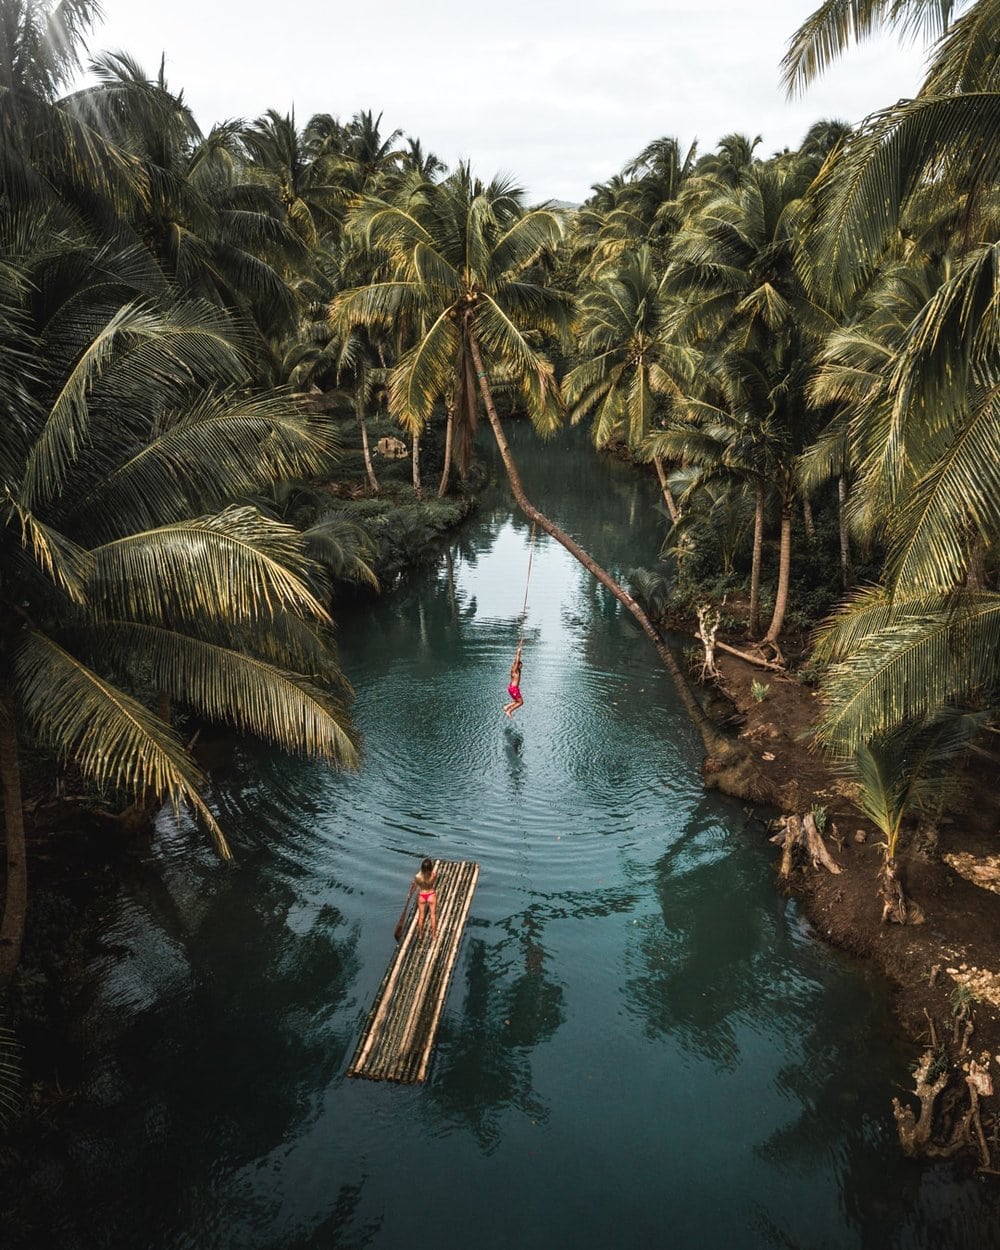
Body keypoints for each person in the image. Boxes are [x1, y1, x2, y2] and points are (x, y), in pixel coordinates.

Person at [408, 857, 437, 940]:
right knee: (433, 916)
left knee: (421, 916)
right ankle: (434, 935)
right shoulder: (433, 874)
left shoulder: (417, 877)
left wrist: (410, 893)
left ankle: (420, 934)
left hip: (422, 896)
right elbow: (432, 882)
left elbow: (414, 887)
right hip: (431, 894)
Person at [504, 643, 524, 717]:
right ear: (518, 665)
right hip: (514, 689)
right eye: (520, 665)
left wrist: (520, 649)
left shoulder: (515, 671)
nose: (522, 666)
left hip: (512, 688)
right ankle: (509, 711)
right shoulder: (515, 670)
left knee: (517, 701)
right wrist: (519, 652)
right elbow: (517, 659)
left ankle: (506, 707)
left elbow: (517, 661)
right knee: (521, 702)